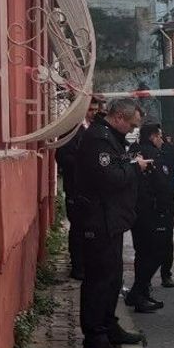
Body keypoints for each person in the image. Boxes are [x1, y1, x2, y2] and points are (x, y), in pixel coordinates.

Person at [74, 98, 150, 348]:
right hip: (98, 220)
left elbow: (118, 165)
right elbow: (111, 177)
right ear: (118, 117)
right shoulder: (98, 139)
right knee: (99, 280)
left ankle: (108, 326)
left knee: (113, 277)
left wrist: (129, 161)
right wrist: (134, 167)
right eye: (131, 124)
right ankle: (95, 337)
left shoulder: (111, 138)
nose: (132, 130)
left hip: (112, 220)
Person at [124, 122, 174, 312]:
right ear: (153, 136)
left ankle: (142, 294)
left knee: (142, 253)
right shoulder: (153, 155)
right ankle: (137, 292)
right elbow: (163, 184)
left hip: (136, 210)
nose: (161, 140)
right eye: (159, 136)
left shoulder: (133, 152)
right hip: (152, 211)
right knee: (156, 252)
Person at [55, 97, 103, 280]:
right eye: (90, 110)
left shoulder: (96, 129)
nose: (93, 113)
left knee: (91, 228)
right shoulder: (72, 130)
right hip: (76, 189)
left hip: (93, 190)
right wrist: (84, 163)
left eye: (96, 110)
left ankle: (90, 263)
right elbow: (62, 157)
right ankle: (78, 267)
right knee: (78, 229)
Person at [158, 134, 174, 287]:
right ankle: (144, 279)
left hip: (166, 201)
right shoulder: (139, 150)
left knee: (167, 239)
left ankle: (166, 274)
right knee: (145, 243)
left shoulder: (170, 150)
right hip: (145, 204)